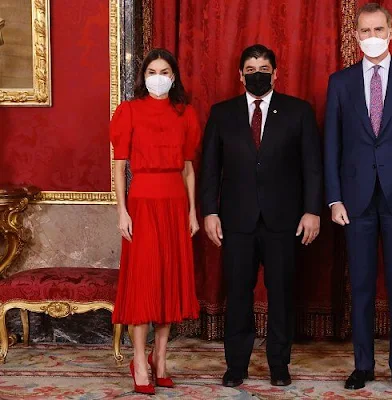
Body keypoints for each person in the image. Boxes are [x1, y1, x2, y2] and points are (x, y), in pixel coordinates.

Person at [324, 3, 392, 392]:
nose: (371, 36)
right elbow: (331, 146)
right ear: (355, 36)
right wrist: (334, 198)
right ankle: (363, 364)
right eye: (364, 30)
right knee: (362, 286)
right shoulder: (340, 82)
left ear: (391, 32)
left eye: (378, 29)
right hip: (355, 199)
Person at [200, 44, 323, 388]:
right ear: (240, 75)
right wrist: (210, 211)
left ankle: (279, 365)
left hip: (283, 220)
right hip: (236, 221)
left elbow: (312, 168)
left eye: (264, 68)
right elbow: (210, 168)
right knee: (238, 294)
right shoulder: (221, 113)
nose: (258, 74)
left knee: (281, 294)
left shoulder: (298, 112)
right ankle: (235, 365)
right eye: (251, 69)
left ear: (276, 72)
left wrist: (312, 211)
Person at [110, 48, 202, 395]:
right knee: (144, 281)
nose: (158, 77)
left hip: (175, 204)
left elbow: (189, 168)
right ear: (143, 76)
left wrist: (193, 211)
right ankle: (138, 360)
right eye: (152, 71)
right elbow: (119, 166)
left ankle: (160, 358)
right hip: (143, 203)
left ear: (174, 77)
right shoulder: (128, 111)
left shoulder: (186, 114)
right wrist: (122, 211)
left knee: (168, 281)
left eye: (164, 71)